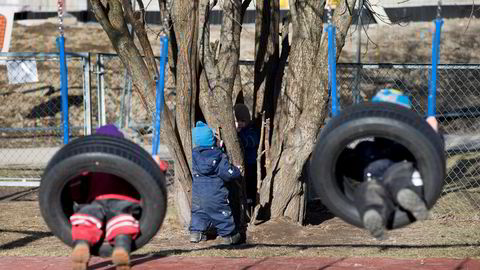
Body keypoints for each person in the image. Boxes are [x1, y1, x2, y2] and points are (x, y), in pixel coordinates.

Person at [340, 89, 442, 240]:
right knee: (401, 177)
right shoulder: (404, 143)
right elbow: (432, 153)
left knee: (371, 190)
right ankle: (405, 195)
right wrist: (433, 133)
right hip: (395, 169)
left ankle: (374, 212)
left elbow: (346, 162)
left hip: (373, 174)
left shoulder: (368, 146)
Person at [69, 124, 169, 270]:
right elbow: (154, 173)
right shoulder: (131, 159)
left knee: (87, 220)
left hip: (96, 202)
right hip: (124, 202)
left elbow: (77, 191)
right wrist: (159, 164)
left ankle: (82, 244)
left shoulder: (90, 163)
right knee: (122, 224)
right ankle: (121, 248)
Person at [189, 121, 243, 245]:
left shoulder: (195, 155)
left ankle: (196, 234)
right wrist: (237, 171)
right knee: (220, 212)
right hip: (215, 193)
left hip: (198, 193)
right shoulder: (219, 156)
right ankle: (228, 236)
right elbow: (228, 174)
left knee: (199, 212)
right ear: (212, 140)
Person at [234, 103, 260, 207]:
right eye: (237, 121)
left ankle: (251, 202)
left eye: (242, 121)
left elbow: (253, 141)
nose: (240, 123)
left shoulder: (251, 130)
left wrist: (241, 138)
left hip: (250, 163)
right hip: (240, 163)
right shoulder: (236, 131)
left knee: (250, 183)